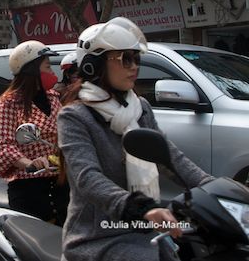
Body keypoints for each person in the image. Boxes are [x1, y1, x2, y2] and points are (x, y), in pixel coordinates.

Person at [57, 17, 213, 261]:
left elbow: (170, 158)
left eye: (136, 58)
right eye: (125, 59)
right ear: (92, 65)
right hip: (98, 237)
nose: (134, 67)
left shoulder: (140, 108)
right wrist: (142, 208)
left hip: (146, 230)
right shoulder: (75, 116)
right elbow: (87, 178)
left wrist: (216, 190)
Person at [0, 40, 69, 225]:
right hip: (29, 189)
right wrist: (29, 163)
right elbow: (4, 146)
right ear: (32, 69)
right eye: (47, 66)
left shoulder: (53, 97)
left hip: (61, 185)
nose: (52, 72)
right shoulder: (9, 102)